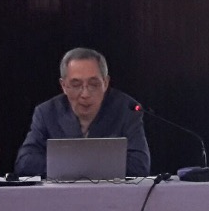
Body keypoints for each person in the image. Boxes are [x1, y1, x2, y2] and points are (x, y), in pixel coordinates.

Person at [14, 47, 151, 177]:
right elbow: (25, 162)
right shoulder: (46, 113)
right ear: (63, 85)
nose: (85, 94)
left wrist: (70, 166)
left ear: (105, 82)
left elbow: (140, 165)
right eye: (76, 85)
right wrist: (79, 167)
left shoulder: (126, 110)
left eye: (93, 84)